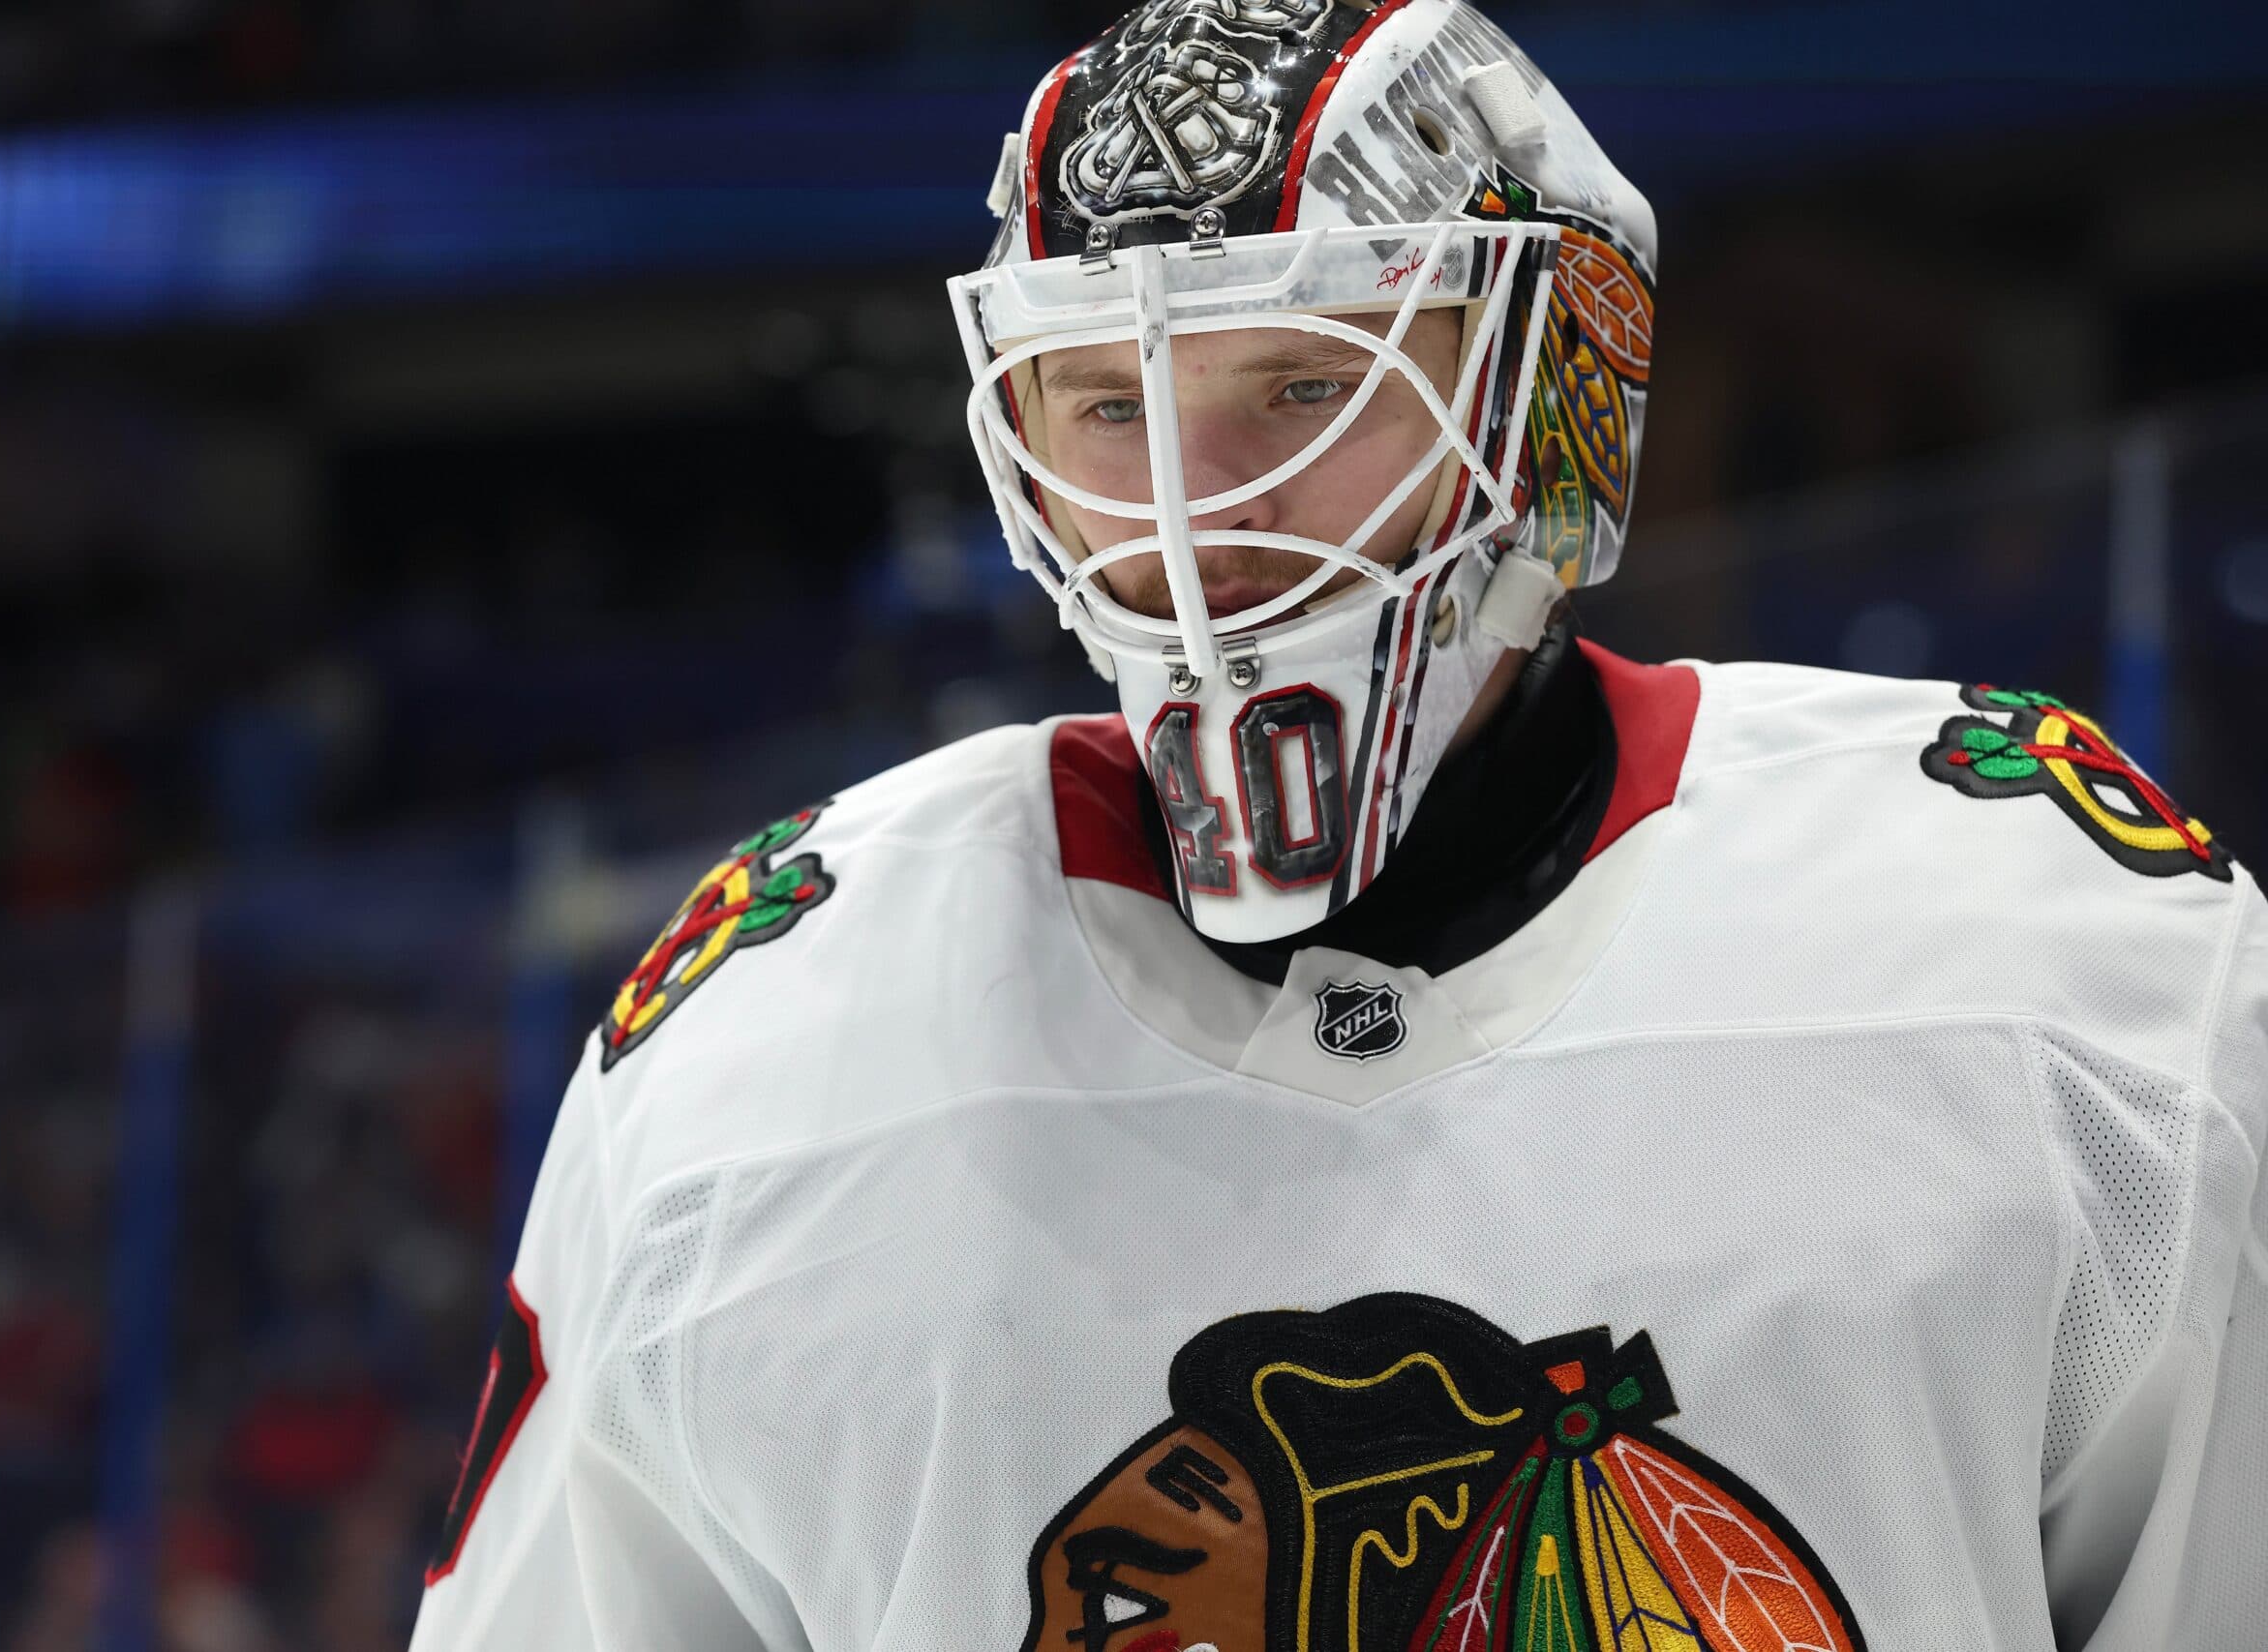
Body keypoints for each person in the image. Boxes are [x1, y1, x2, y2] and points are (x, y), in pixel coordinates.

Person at [408, 0, 2266, 1646]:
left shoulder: (2041, 956)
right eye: (1104, 405)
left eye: (1307, 387)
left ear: (1547, 393)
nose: (1199, 525)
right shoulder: (748, 1061)